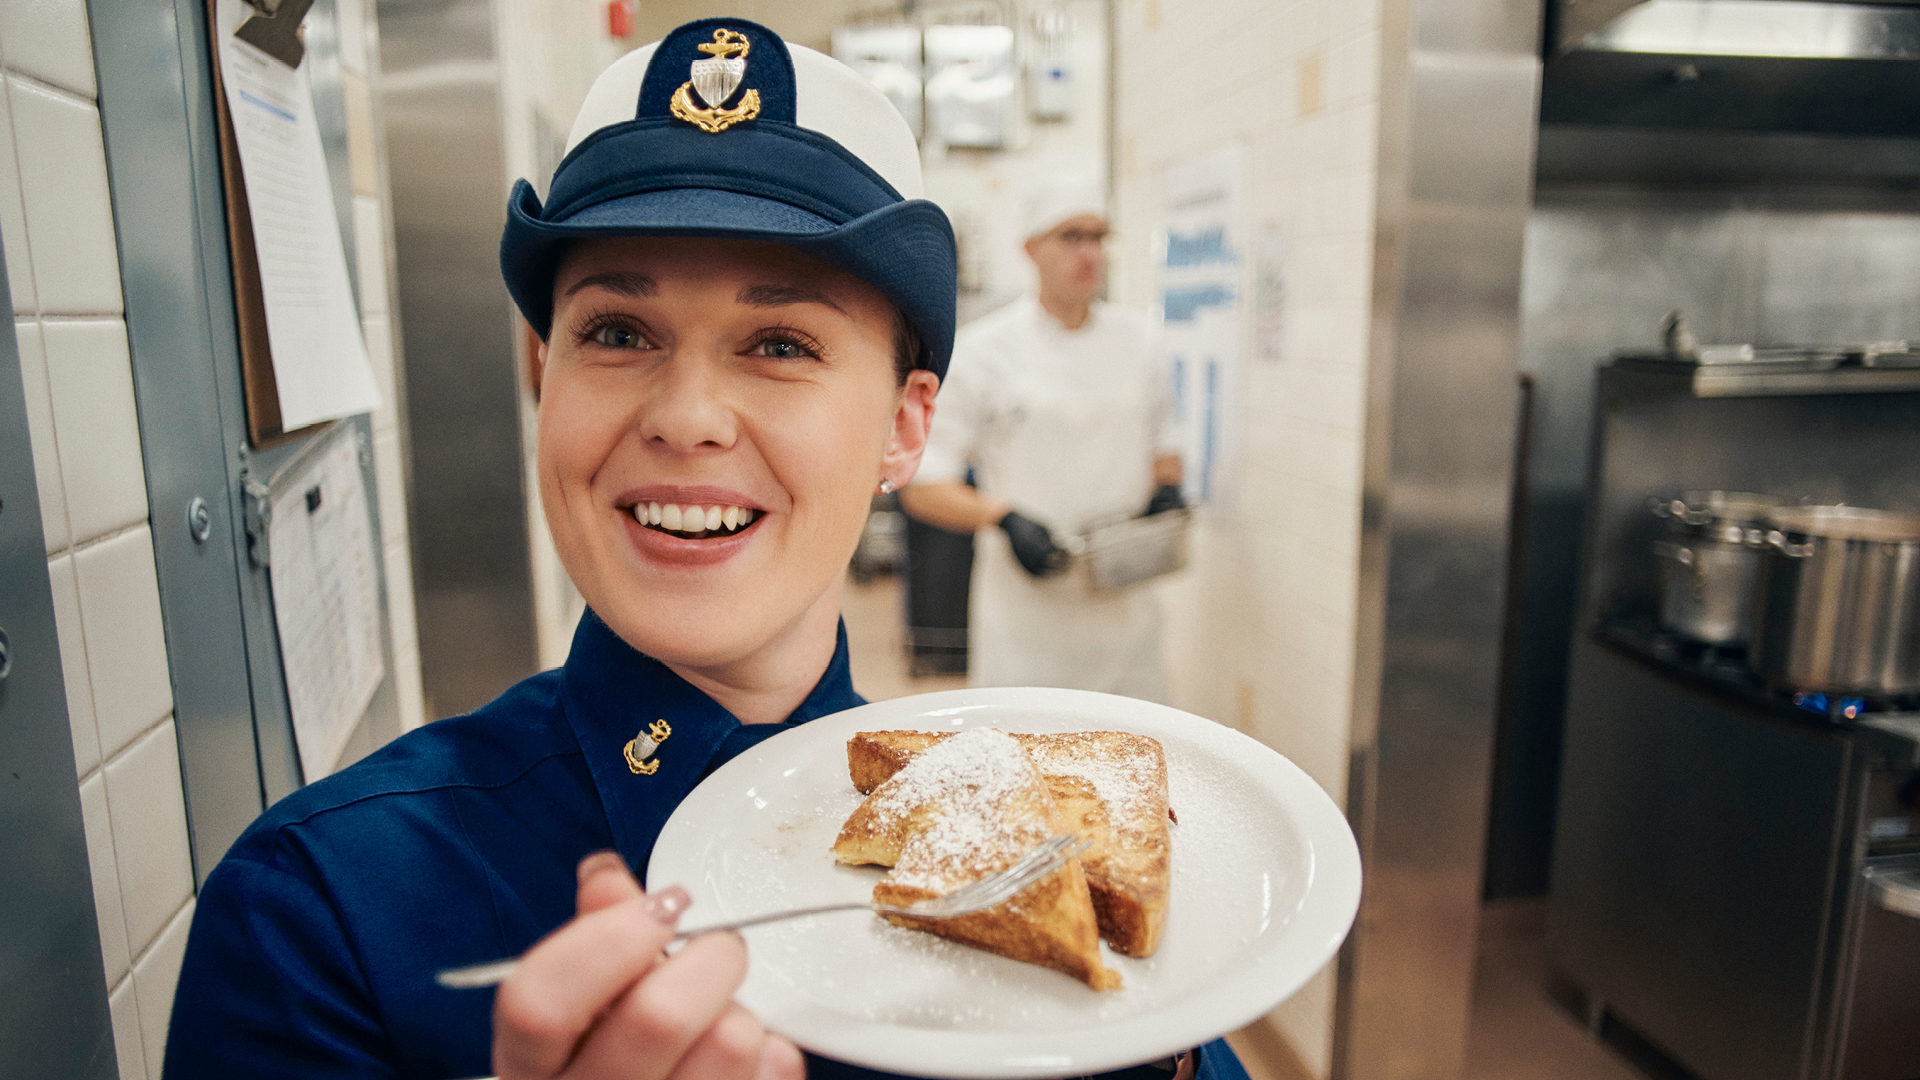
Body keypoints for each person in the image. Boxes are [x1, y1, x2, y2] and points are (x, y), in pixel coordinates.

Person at [162, 20, 1244, 1080]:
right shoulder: (324, 912)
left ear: (906, 429)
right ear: (546, 375)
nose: (687, 418)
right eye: (618, 334)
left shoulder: (1059, 880)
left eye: (781, 344)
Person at [899, 181, 1183, 702]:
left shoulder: (1142, 342)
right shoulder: (985, 351)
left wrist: (1167, 492)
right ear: (1030, 249)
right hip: (1026, 614)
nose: (1089, 252)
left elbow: (1165, 444)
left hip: (1124, 601)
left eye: (1098, 237)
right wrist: (1003, 519)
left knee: (1131, 751)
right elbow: (923, 484)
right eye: (1071, 236)